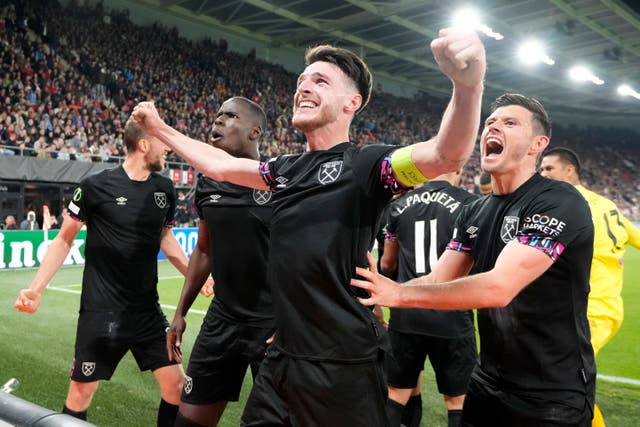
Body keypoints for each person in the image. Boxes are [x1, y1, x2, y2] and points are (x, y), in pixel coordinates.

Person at [133, 28, 486, 426]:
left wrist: (467, 84)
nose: (303, 86)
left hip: (342, 364)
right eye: (301, 80)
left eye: (320, 81)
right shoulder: (285, 171)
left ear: (353, 102)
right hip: (281, 358)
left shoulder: (368, 166)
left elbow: (446, 154)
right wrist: (159, 128)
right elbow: (219, 166)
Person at [352, 93, 596, 427]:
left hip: (551, 392)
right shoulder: (474, 211)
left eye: (510, 122)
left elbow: (499, 287)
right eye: (490, 123)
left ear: (538, 144)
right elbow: (439, 278)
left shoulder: (559, 201)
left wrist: (398, 294)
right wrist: (380, 288)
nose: (493, 126)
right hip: (487, 380)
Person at [14, 118, 212, 426]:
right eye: (161, 142)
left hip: (146, 313)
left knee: (176, 386)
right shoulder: (96, 186)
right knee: (81, 392)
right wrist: (36, 288)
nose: (167, 149)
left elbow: (166, 237)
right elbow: (64, 238)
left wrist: (194, 275)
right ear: (144, 145)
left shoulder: (165, 189)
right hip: (100, 312)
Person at [167, 97, 275, 427]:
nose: (217, 121)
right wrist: (180, 313)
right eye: (216, 116)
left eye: (229, 117)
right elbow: (204, 251)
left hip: (272, 324)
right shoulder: (208, 183)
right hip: (222, 319)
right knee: (188, 421)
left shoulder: (279, 182)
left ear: (255, 131)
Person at [539, 147, 640, 427]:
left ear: (570, 170)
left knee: (562, 379)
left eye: (549, 169)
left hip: (591, 311)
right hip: (594, 309)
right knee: (557, 376)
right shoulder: (608, 204)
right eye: (542, 170)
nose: (543, 174)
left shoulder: (567, 205)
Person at [380, 171, 478, 427]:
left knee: (396, 394)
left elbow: (387, 264)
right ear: (457, 169)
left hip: (407, 314)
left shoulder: (399, 206)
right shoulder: (471, 204)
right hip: (452, 315)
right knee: (457, 401)